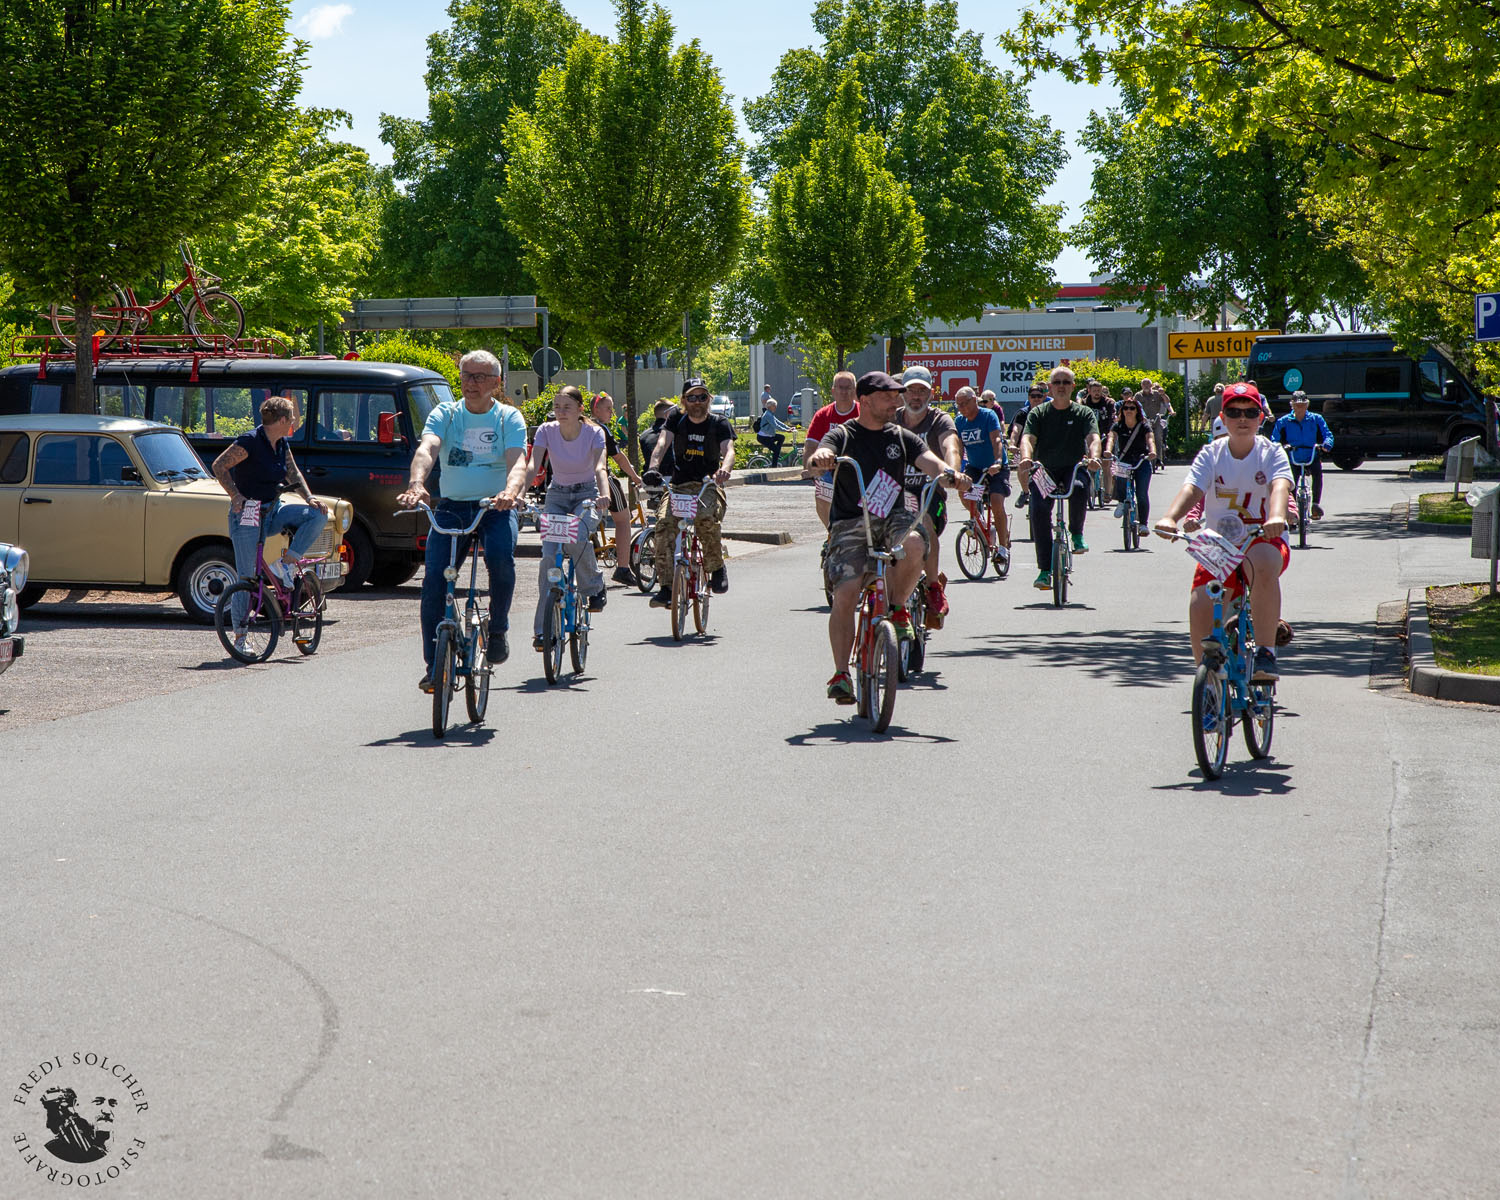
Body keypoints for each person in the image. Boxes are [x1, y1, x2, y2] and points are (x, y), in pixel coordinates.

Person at [804, 371, 968, 703]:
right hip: (852, 522)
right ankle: (840, 674)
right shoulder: (843, 434)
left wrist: (950, 475)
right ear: (864, 401)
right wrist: (820, 458)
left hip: (893, 517)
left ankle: (896, 608)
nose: (896, 401)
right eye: (888, 396)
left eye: (898, 396)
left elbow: (930, 461)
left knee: (915, 543)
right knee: (846, 595)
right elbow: (820, 452)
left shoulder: (901, 437)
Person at [397, 349, 530, 692]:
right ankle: (433, 665)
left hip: (495, 507)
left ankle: (497, 628)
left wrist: (511, 492)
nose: (471, 383)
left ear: (496, 383)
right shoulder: (446, 413)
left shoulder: (508, 418)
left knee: (501, 558)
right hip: (453, 506)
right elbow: (427, 448)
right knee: (434, 585)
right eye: (466, 376)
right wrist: (416, 484)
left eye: (480, 377)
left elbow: (518, 462)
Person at [1154, 381, 1292, 682]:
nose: (1242, 418)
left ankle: (1267, 653)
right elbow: (1192, 489)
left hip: (1262, 536)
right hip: (1218, 542)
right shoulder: (1211, 453)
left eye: (1250, 412)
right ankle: (1208, 682)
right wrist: (1170, 517)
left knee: (1263, 562)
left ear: (1260, 416)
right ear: (1223, 418)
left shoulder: (1271, 452)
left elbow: (1280, 485)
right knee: (1201, 599)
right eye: (1234, 411)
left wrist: (1278, 515)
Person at [210, 394, 329, 646]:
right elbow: (219, 465)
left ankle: (286, 563)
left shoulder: (282, 443)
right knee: (247, 577)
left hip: (273, 510)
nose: (294, 422)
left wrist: (309, 498)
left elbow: (292, 472)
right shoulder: (250, 442)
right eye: (292, 418)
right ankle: (241, 635)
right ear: (283, 419)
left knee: (319, 514)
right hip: (248, 515)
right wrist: (235, 495)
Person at [529, 385, 608, 651]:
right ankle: (542, 630)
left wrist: (604, 496)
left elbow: (600, 467)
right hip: (557, 496)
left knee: (576, 535)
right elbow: (533, 465)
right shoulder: (546, 431)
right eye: (557, 407)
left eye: (567, 407)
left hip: (588, 494)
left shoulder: (594, 433)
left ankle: (594, 587)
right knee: (549, 558)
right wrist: (516, 491)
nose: (560, 412)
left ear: (580, 409)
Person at [645, 377, 735, 604]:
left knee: (705, 519)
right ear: (684, 400)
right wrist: (653, 468)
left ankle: (717, 568)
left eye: (702, 396)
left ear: (709, 399)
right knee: (664, 526)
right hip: (679, 486)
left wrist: (724, 469)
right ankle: (666, 586)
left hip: (708, 485)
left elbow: (729, 450)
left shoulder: (719, 422)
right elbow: (662, 444)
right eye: (692, 397)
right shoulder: (676, 418)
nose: (697, 402)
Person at [1016, 365, 1102, 590]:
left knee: (1080, 486)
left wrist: (1094, 457)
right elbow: (1027, 439)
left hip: (1073, 466)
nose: (1061, 386)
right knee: (1038, 511)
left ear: (1073, 387)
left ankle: (1077, 534)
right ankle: (1045, 570)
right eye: (1057, 383)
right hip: (1046, 469)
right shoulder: (1038, 413)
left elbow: (1094, 438)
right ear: (1050, 388)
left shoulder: (1083, 412)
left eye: (1066, 382)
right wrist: (1026, 457)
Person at [896, 364, 963, 626]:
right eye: (911, 390)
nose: (915, 396)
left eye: (921, 391)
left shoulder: (939, 420)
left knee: (923, 523)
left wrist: (952, 473)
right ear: (902, 393)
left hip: (929, 493)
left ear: (930, 394)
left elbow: (951, 446)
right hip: (892, 493)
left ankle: (933, 586)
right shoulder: (892, 418)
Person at [587, 391, 646, 583]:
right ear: (596, 410)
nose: (612, 413)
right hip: (603, 478)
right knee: (623, 519)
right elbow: (619, 458)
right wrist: (635, 477)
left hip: (580, 479)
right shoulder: (601, 429)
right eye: (608, 409)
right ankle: (622, 568)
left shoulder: (580, 426)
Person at [953, 386, 1011, 571]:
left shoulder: (988, 415)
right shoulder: (960, 421)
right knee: (963, 491)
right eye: (958, 404)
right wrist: (956, 470)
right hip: (975, 467)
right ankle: (981, 526)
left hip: (995, 466)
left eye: (965, 403)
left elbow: (996, 440)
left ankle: (1002, 548)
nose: (961, 407)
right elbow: (959, 448)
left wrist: (997, 462)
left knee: (996, 502)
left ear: (974, 400)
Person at [804, 370, 860, 528]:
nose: (844, 392)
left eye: (848, 388)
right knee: (822, 493)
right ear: (833, 391)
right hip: (830, 469)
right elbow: (810, 445)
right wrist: (810, 468)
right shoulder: (823, 415)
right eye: (840, 387)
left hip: (859, 469)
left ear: (854, 391)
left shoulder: (864, 413)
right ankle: (832, 533)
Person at [1271, 390, 1334, 519]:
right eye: (1297, 405)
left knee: (1317, 475)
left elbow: (1328, 434)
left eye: (1303, 404)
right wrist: (1278, 448)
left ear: (1307, 405)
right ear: (1292, 405)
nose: (1300, 407)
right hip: (1294, 456)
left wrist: (1327, 444)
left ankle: (1315, 505)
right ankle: (1292, 510)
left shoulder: (1316, 419)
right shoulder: (1284, 421)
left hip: (1311, 455)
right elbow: (1274, 438)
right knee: (1290, 481)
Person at [1105, 392, 1157, 530]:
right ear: (1122, 410)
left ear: (1137, 411)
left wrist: (1152, 451)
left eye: (1132, 408)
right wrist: (1108, 451)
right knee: (1121, 481)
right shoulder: (1118, 426)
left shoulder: (1144, 426)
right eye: (1126, 408)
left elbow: (1150, 439)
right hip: (1124, 460)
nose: (1128, 411)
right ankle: (1122, 502)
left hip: (1141, 461)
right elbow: (1111, 438)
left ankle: (1143, 524)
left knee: (1141, 493)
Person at [1140, 378, 1175, 471]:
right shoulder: (1138, 395)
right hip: (1144, 421)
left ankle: (1159, 458)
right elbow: (1134, 405)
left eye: (1148, 384)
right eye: (1144, 384)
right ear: (1141, 386)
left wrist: (1163, 394)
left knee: (1158, 438)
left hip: (1156, 420)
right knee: (1141, 438)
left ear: (1151, 386)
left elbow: (1167, 402)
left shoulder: (1156, 394)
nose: (1146, 386)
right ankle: (1141, 457)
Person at [638, 398, 676, 478]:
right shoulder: (674, 432)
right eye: (674, 411)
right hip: (671, 478)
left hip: (650, 479)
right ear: (668, 414)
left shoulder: (644, 435)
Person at [753, 398, 796, 466]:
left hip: (769, 436)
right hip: (763, 437)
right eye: (774, 406)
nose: (776, 407)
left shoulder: (770, 414)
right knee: (776, 450)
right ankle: (774, 467)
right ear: (770, 407)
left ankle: (777, 454)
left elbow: (778, 422)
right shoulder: (768, 415)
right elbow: (775, 425)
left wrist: (789, 428)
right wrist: (786, 430)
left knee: (781, 438)